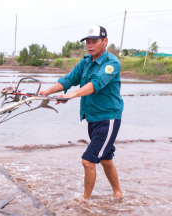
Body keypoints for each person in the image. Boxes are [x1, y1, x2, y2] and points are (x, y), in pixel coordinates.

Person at [39, 25, 124, 200]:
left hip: (108, 118)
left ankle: (85, 201)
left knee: (88, 160)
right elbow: (69, 79)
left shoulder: (111, 63)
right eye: (88, 42)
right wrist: (47, 92)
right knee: (106, 159)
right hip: (92, 118)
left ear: (105, 41)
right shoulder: (86, 61)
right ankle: (118, 194)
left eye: (94, 42)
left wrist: (71, 95)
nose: (90, 45)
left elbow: (95, 84)